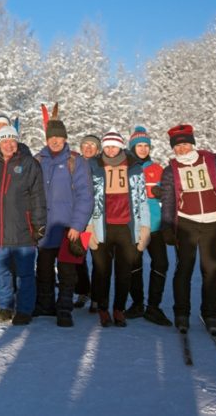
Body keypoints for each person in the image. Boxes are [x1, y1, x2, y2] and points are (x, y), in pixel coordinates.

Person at [159, 124, 216, 335]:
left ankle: (210, 314)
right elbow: (167, 201)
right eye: (177, 146)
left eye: (185, 144)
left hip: (213, 224)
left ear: (192, 143)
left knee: (211, 270)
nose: (182, 149)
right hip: (185, 224)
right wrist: (167, 227)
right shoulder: (170, 171)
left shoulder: (212, 161)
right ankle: (181, 313)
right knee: (184, 269)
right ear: (173, 148)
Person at [0, 125, 46, 326]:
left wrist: (39, 224)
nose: (9, 145)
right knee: (0, 271)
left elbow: (38, 196)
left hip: (23, 230)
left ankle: (25, 309)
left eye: (12, 140)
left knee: (25, 273)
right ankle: (5, 306)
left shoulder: (29, 164)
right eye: (4, 141)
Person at [33, 116, 94, 327]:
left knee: (69, 270)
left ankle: (64, 308)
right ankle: (45, 305)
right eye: (52, 137)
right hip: (46, 226)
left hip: (71, 227)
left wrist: (78, 226)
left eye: (60, 137)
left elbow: (86, 196)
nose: (56, 141)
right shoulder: (38, 160)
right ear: (47, 138)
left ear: (65, 138)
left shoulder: (76, 161)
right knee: (44, 268)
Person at [87, 129, 150, 328]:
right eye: (107, 146)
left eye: (114, 146)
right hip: (101, 226)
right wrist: (87, 227)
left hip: (127, 227)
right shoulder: (94, 165)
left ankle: (119, 309)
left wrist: (145, 227)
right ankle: (103, 309)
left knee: (124, 272)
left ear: (121, 146)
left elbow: (142, 199)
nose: (111, 150)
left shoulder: (134, 167)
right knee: (102, 270)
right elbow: (85, 198)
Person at [125, 126, 172, 326]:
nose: (143, 149)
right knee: (134, 265)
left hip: (155, 224)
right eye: (139, 146)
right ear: (132, 147)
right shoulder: (125, 168)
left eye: (146, 146)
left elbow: (172, 193)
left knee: (161, 264)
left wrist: (164, 192)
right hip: (134, 225)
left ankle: (153, 306)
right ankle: (137, 304)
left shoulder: (157, 169)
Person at [75, 134, 102, 311]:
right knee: (78, 258)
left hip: (98, 220)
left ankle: (97, 297)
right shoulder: (75, 164)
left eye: (92, 145)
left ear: (98, 149)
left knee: (98, 259)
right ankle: (84, 290)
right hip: (80, 220)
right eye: (85, 144)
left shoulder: (102, 166)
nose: (88, 147)